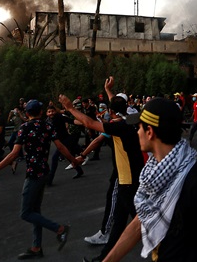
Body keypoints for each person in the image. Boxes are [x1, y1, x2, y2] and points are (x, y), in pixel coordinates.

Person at [98, 98, 197, 262]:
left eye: (139, 127)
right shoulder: (154, 175)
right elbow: (137, 224)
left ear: (150, 132)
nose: (137, 132)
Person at [59, 76, 145, 262]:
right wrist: (108, 91)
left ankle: (171, 248)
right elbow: (117, 107)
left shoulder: (119, 127)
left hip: (128, 182)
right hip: (130, 179)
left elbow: (90, 124)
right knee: (120, 224)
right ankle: (103, 258)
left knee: (143, 223)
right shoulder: (133, 119)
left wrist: (70, 108)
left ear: (111, 111)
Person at [0, 100, 75, 260]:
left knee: (25, 213)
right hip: (44, 171)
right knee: (35, 211)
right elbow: (60, 147)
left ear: (27, 113)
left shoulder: (25, 128)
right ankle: (36, 247)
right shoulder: (47, 126)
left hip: (33, 173)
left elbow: (14, 153)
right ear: (41, 112)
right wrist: (74, 160)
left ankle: (59, 229)